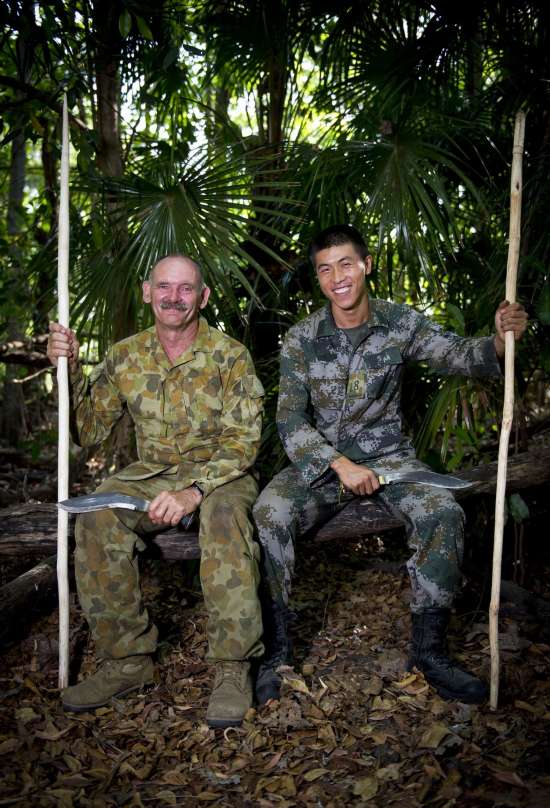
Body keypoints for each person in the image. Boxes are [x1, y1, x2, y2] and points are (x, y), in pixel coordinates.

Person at [253, 224, 528, 705]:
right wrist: (338, 464)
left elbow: (461, 356)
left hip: (391, 461)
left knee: (442, 511)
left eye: (345, 264)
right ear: (318, 279)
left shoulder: (400, 322)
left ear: (366, 265)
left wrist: (502, 340)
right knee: (269, 514)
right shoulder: (302, 338)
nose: (337, 277)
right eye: (325, 269)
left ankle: (430, 651)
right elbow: (290, 418)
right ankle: (275, 654)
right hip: (321, 463)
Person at [47, 255, 265, 728]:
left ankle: (233, 666)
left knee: (225, 519)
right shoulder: (125, 355)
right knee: (98, 511)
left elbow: (244, 442)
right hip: (153, 473)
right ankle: (128, 661)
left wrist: (194, 491)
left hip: (221, 474)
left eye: (186, 289)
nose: (173, 297)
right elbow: (87, 429)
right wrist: (64, 370)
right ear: (148, 292)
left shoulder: (230, 356)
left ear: (202, 297)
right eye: (164, 287)